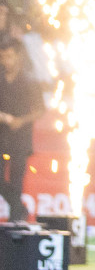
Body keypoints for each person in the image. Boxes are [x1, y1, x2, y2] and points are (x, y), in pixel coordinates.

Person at [0, 37, 43, 223]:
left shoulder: (29, 80)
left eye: (9, 56)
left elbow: (40, 109)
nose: (6, 61)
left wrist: (21, 121)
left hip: (21, 137)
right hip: (2, 135)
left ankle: (15, 219)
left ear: (18, 56)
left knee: (17, 180)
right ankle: (19, 209)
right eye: (3, 57)